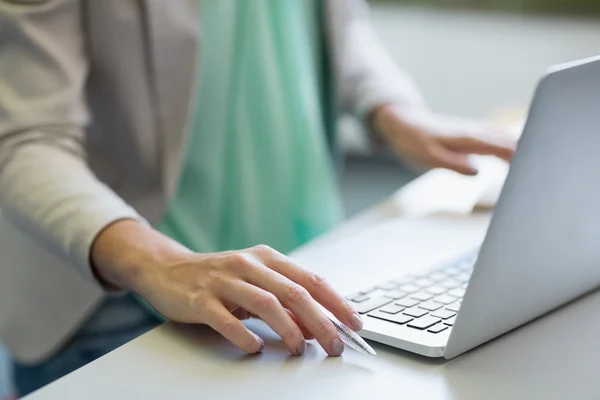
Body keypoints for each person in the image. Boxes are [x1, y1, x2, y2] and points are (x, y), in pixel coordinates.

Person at [0, 0, 514, 396]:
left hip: (307, 265)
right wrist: (157, 263)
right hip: (116, 301)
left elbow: (338, 27)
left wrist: (390, 108)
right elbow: (26, 139)